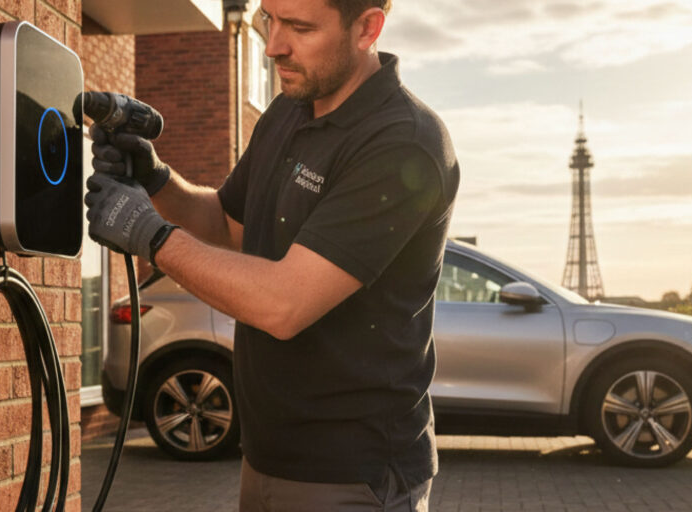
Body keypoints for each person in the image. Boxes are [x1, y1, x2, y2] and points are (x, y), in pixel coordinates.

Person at [84, 0, 459, 509]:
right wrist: (154, 178)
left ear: (367, 27)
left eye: (300, 27)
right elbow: (226, 225)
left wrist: (148, 235)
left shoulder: (402, 143)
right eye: (269, 19)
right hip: (264, 456)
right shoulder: (289, 108)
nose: (274, 45)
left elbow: (284, 304)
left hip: (353, 474)